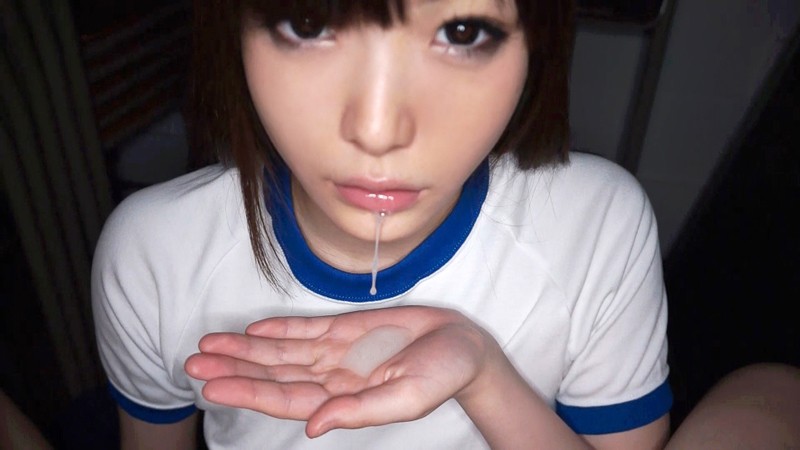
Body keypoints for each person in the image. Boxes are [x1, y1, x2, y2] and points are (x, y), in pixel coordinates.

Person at [92, 0, 673, 448]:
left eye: (461, 32)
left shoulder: (594, 231)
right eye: (309, 23)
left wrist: (485, 376)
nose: (377, 129)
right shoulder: (155, 254)